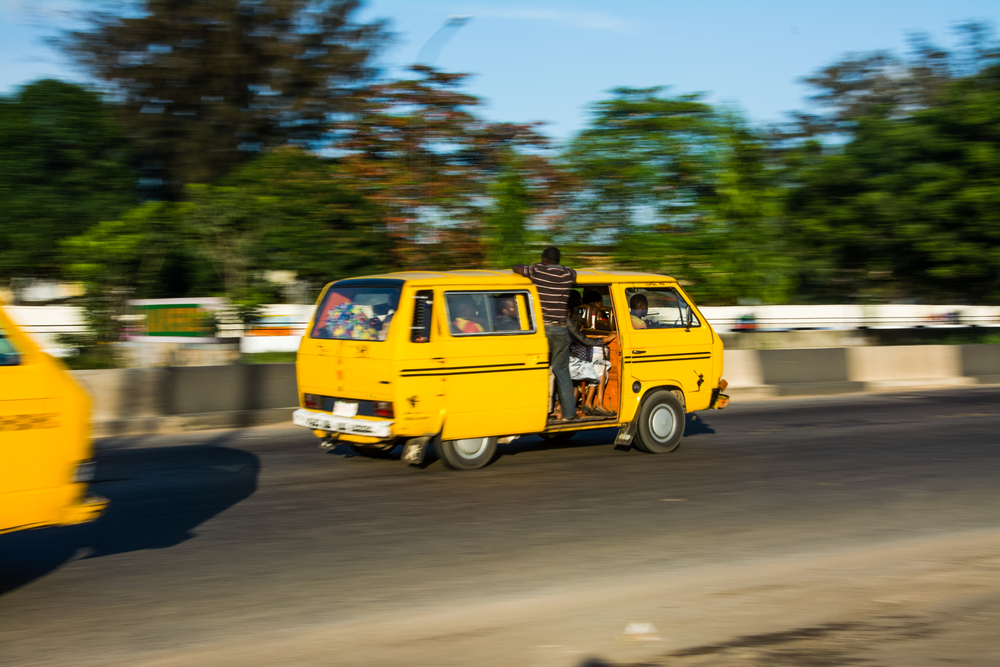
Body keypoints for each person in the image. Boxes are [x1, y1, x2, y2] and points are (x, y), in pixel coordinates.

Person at [513, 246, 577, 421]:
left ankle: (543, 411)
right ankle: (569, 414)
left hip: (542, 330)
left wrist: (536, 265)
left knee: (541, 371)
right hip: (560, 329)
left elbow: (516, 267)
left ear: (545, 259)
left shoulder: (537, 271)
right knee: (562, 372)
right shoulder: (568, 274)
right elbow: (573, 271)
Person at [567, 291, 616, 417]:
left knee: (598, 363)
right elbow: (584, 339)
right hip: (573, 357)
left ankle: (587, 403)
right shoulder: (572, 319)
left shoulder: (578, 315)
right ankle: (597, 403)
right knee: (600, 363)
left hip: (572, 353)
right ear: (598, 303)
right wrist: (605, 339)